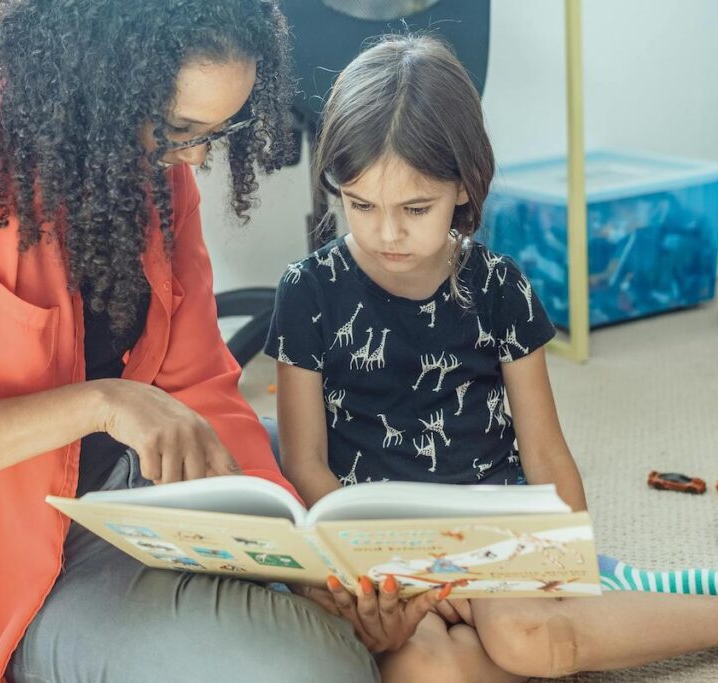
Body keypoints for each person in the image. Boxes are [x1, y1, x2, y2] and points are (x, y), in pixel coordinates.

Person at [0, 3, 444, 681]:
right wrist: (103, 403)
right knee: (315, 668)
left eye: (218, 131)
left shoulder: (158, 171)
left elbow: (201, 387)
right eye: (180, 129)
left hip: (153, 489)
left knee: (393, 468)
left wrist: (291, 560)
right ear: (95, 76)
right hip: (21, 558)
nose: (198, 157)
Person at [265, 34, 718, 682]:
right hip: (382, 551)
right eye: (361, 204)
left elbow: (545, 451)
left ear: (464, 186)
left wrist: (567, 559)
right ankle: (604, 610)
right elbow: (304, 461)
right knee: (425, 668)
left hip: (490, 526)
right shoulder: (306, 292)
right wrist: (369, 560)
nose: (386, 232)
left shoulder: (500, 286)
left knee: (529, 636)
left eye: (414, 208)